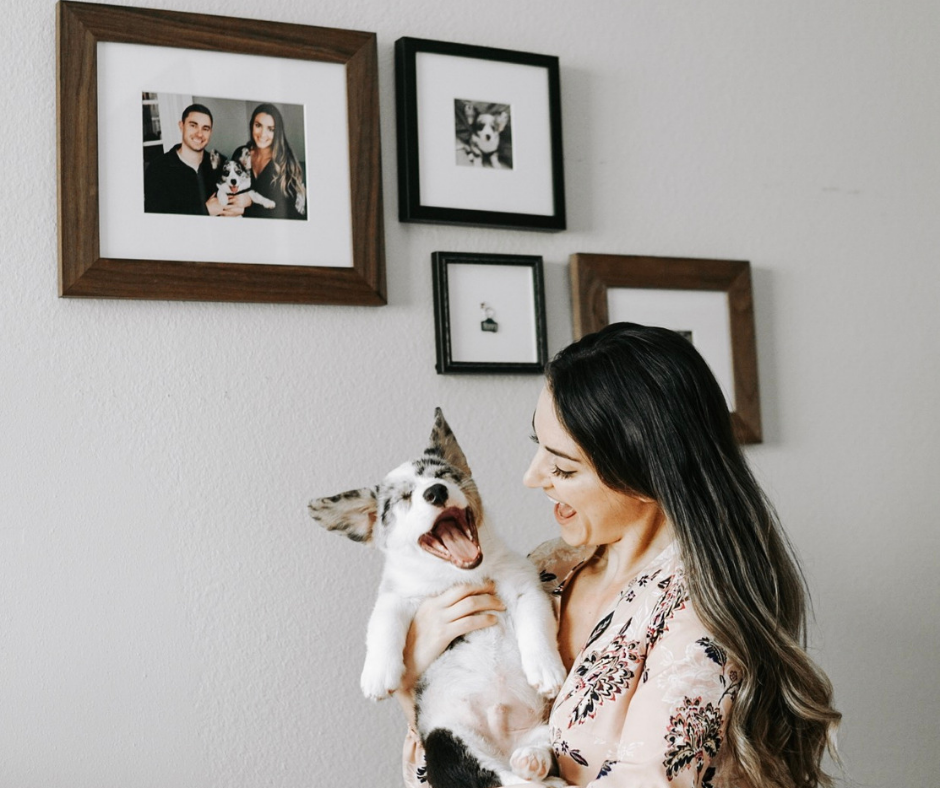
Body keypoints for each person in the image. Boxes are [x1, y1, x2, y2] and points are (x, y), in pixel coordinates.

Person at [397, 322, 841, 788]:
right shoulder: (548, 568)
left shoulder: (698, 612)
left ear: (646, 471)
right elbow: (443, 768)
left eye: (563, 467)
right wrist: (414, 687)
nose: (533, 477)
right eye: (539, 449)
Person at [143, 104, 237, 217]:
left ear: (210, 132)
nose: (199, 134)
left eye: (205, 128)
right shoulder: (158, 169)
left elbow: (238, 193)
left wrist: (244, 201)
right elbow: (155, 220)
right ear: (181, 126)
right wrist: (205, 210)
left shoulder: (220, 164)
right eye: (193, 125)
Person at [230, 103, 307, 220]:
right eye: (258, 125)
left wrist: (248, 205)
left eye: (271, 129)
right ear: (251, 126)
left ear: (278, 132)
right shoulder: (240, 153)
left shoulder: (286, 162)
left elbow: (287, 214)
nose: (262, 134)